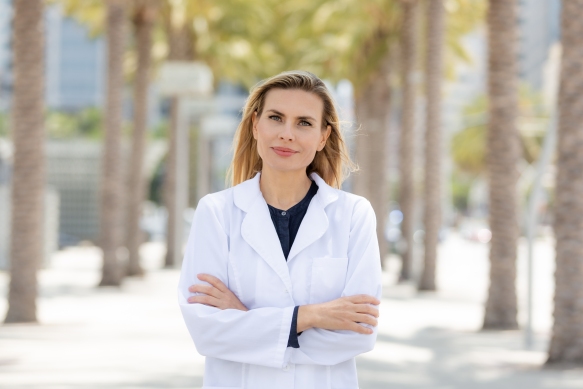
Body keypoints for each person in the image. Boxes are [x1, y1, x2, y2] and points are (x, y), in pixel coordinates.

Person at [178, 70, 383, 389]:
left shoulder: (353, 216)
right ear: (256, 125)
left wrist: (244, 320)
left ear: (323, 137)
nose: (287, 133)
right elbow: (207, 332)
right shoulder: (216, 213)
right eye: (276, 118)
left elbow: (358, 335)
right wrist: (310, 317)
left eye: (304, 123)